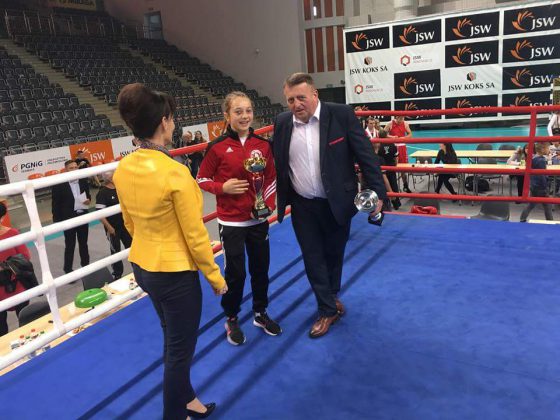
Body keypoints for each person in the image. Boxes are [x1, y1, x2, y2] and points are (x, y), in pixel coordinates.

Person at [113, 83, 227, 420]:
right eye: (172, 119)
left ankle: (188, 399)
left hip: (144, 265)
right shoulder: (175, 172)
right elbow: (195, 235)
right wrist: (215, 276)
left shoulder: (124, 167)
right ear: (164, 122)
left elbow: (129, 222)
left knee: (172, 341)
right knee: (179, 352)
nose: (174, 124)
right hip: (175, 275)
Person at [273, 73, 386, 338]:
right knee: (312, 257)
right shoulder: (282, 122)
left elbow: (366, 156)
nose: (296, 104)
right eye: (290, 100)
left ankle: (331, 297)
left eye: (301, 97)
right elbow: (275, 161)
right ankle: (326, 309)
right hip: (302, 205)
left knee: (334, 255)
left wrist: (378, 193)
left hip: (337, 202)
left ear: (315, 95)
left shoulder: (341, 114)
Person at [197, 91, 281, 346]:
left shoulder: (263, 145)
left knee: (260, 269)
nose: (245, 116)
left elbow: (271, 177)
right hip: (231, 221)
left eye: (248, 111)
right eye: (238, 111)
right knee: (236, 274)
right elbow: (201, 179)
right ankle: (231, 317)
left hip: (258, 220)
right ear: (227, 115)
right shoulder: (216, 147)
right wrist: (222, 188)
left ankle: (260, 312)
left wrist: (266, 205)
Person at [51, 160, 90, 274]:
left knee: (84, 243)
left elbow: (88, 196)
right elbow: (55, 204)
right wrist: (57, 222)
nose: (74, 170)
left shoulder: (83, 180)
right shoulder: (59, 184)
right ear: (66, 170)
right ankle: (68, 270)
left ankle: (86, 267)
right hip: (68, 219)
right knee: (70, 245)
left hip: (82, 216)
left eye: (75, 167)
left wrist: (88, 200)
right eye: (71, 168)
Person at [0, 202, 31, 336]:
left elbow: (25, 257)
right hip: (16, 282)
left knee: (23, 321)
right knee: (25, 322)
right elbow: (25, 257)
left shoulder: (13, 233)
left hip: (16, 283)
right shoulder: (13, 233)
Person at [95, 171, 132, 281]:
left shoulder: (120, 189)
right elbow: (99, 214)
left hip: (125, 225)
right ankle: (117, 274)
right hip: (113, 228)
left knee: (131, 247)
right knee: (115, 250)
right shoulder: (102, 193)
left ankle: (138, 268)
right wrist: (109, 227)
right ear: (110, 179)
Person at [520, 142, 554, 222]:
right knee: (547, 205)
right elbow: (542, 175)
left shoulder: (533, 158)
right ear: (543, 149)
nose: (549, 150)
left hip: (534, 185)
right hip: (541, 186)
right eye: (548, 148)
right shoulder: (541, 160)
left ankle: (522, 218)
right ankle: (550, 221)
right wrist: (546, 185)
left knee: (531, 204)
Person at [385, 115, 412, 193]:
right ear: (396, 118)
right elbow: (383, 134)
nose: (402, 120)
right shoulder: (390, 124)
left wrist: (404, 138)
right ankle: (392, 187)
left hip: (402, 147)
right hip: (392, 147)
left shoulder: (405, 124)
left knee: (403, 168)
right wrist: (392, 137)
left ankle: (405, 186)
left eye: (403, 118)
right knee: (391, 167)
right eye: (400, 118)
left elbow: (410, 135)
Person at [376, 130, 401, 209]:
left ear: (379, 136)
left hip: (382, 168)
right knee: (394, 185)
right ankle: (396, 204)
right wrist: (395, 165)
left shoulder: (378, 145)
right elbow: (396, 156)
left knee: (384, 186)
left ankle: (386, 205)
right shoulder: (392, 143)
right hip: (391, 167)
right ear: (386, 135)